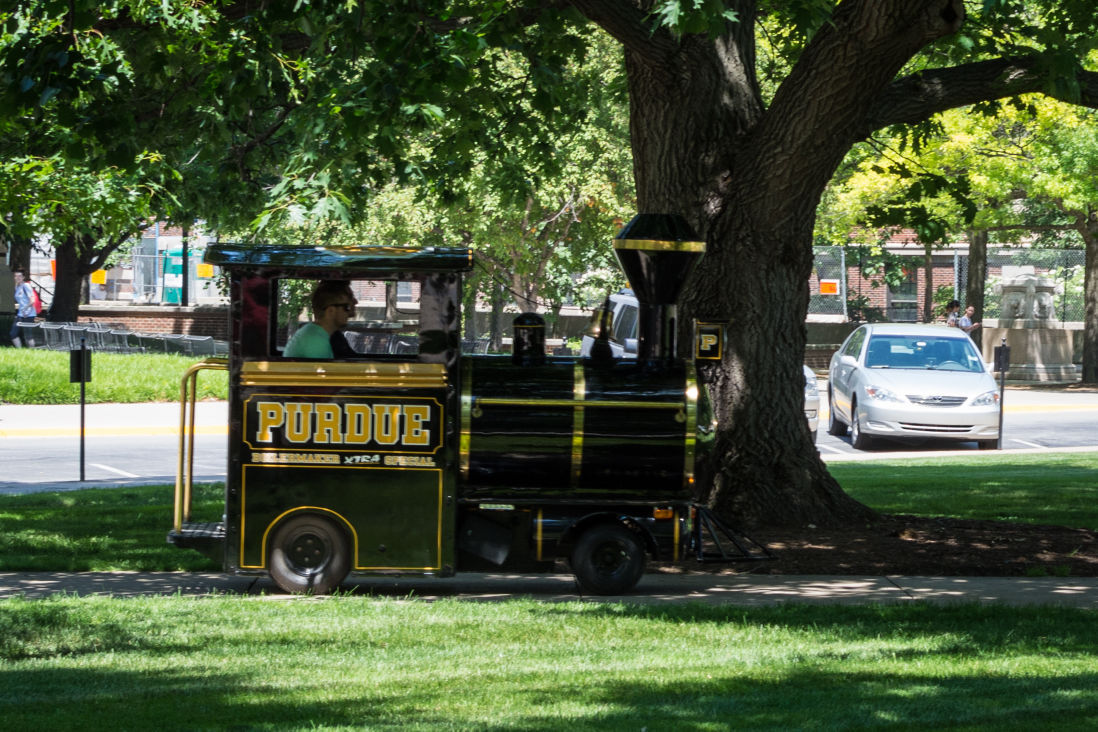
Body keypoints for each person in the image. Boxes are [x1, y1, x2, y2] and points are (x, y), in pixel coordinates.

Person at [283, 280, 357, 358]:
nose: (348, 313)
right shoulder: (316, 342)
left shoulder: (315, 333)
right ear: (330, 311)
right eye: (346, 307)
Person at [9, 269, 37, 347]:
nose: (17, 277)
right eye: (16, 276)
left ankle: (33, 353)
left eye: (20, 276)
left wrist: (25, 309)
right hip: (20, 314)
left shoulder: (26, 286)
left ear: (23, 277)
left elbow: (32, 300)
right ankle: (20, 351)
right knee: (13, 333)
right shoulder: (17, 287)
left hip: (29, 314)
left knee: (28, 336)